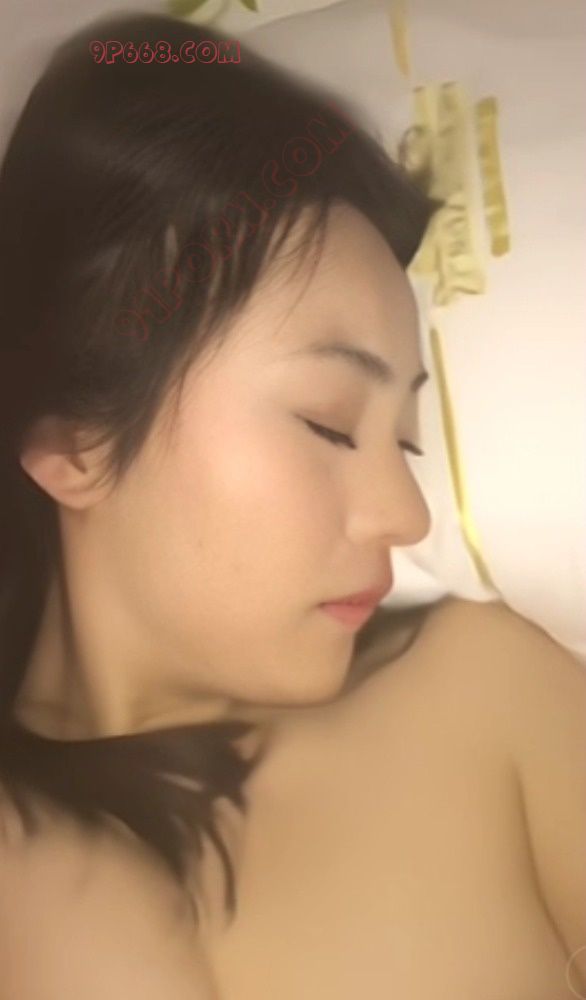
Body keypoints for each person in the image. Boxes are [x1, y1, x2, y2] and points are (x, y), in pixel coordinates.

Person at [0, 12, 584, 1000]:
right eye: (327, 423)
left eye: (406, 440)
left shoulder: (476, 694)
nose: (406, 516)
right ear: (77, 442)